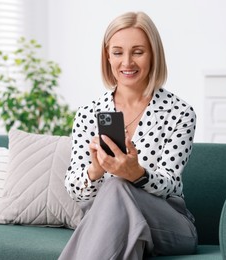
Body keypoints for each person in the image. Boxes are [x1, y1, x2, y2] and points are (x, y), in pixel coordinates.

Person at [59, 11, 197, 260]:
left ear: (153, 54)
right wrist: (95, 170)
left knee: (117, 185)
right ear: (107, 57)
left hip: (170, 225)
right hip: (109, 224)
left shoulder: (180, 113)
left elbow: (170, 184)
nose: (127, 63)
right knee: (114, 192)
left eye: (138, 52)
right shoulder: (89, 113)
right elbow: (75, 191)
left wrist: (137, 175)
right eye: (118, 52)